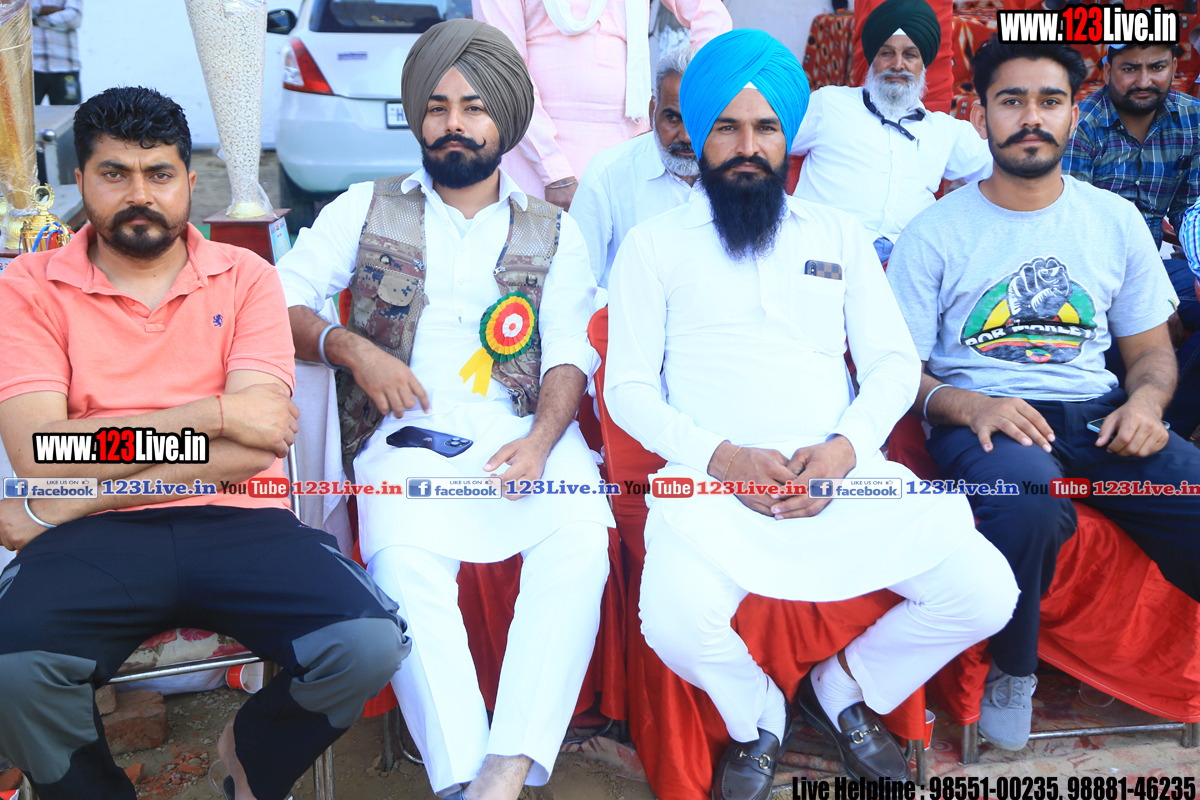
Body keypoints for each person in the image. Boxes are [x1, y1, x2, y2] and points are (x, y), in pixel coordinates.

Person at [604, 29, 1018, 793]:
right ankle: (756, 714)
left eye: (766, 128)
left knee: (988, 592)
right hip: (713, 486)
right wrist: (723, 458)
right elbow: (627, 389)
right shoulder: (652, 246)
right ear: (698, 133)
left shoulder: (837, 233)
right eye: (727, 127)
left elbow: (893, 364)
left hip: (840, 479)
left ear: (787, 135)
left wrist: (844, 451)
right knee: (672, 621)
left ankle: (844, 687)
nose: (747, 147)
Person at [0, 86, 408, 800]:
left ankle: (249, 755)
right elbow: (43, 454)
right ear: (81, 180)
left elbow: (258, 445)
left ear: (190, 180)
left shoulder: (246, 277)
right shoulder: (31, 286)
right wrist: (215, 413)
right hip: (91, 541)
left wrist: (77, 492)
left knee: (367, 644)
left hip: (237, 520)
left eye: (158, 174)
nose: (139, 194)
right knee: (12, 668)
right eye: (115, 173)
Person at [275, 20, 614, 800]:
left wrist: (542, 442)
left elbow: (570, 350)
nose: (453, 123)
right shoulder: (362, 207)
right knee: (403, 564)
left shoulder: (555, 229)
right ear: (418, 119)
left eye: (472, 107)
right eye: (437, 107)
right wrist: (351, 348)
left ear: (505, 120)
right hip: (403, 437)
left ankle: (509, 763)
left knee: (581, 541)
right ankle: (464, 776)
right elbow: (280, 296)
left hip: (523, 430)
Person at [887, 38, 1200, 753]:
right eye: (1012, 100)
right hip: (987, 423)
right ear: (979, 116)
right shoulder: (934, 232)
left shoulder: (1113, 220)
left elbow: (1151, 352)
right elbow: (896, 370)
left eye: (1050, 101)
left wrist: (1146, 405)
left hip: (1098, 421)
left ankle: (1181, 673)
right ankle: (1013, 670)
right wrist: (969, 407)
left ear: (1073, 116)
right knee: (1027, 500)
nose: (1032, 117)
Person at [472, 0, 730, 209]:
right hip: (534, 154)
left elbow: (712, 18)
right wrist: (553, 172)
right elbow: (502, 71)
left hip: (628, 150)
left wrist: (690, 94)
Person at [790, 0, 991, 264]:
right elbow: (766, 137)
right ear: (872, 58)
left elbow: (1005, 167)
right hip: (827, 259)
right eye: (886, 53)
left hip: (908, 267)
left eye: (910, 55)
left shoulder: (945, 131)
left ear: (924, 64)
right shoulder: (829, 104)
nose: (898, 64)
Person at [1063, 42, 1200, 330]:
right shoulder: (1081, 125)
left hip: (1155, 269)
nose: (1144, 81)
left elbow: (1189, 211)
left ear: (1174, 67)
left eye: (1157, 67)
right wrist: (1151, 300)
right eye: (1130, 69)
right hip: (1089, 276)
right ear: (1108, 71)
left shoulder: (1193, 119)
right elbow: (1073, 229)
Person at [570, 43, 697, 293]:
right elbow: (575, 284)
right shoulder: (608, 173)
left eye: (698, 120)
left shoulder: (737, 176)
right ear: (652, 111)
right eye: (673, 118)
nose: (686, 136)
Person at [32, 0, 82, 105]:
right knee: (22, 113)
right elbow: (13, 14)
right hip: (30, 68)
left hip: (65, 66)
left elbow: (74, 18)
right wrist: (48, 10)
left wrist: (37, 20)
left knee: (69, 113)